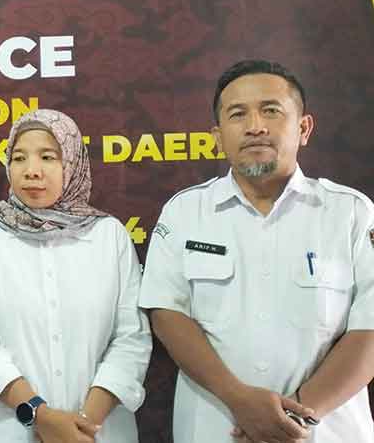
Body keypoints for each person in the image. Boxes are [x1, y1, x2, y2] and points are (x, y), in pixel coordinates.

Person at [139, 60, 374, 442]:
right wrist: (241, 402)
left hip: (328, 432)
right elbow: (167, 314)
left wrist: (290, 419)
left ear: (303, 128)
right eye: (238, 114)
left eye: (271, 110)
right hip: (218, 429)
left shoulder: (352, 213)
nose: (255, 126)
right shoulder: (184, 212)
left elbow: (370, 331)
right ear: (218, 137)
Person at [0, 109, 151, 443]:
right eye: (19, 158)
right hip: (8, 431)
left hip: (99, 432)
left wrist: (82, 426)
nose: (31, 171)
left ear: (72, 162)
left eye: (47, 157)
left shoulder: (109, 236)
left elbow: (131, 337)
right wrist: (40, 417)